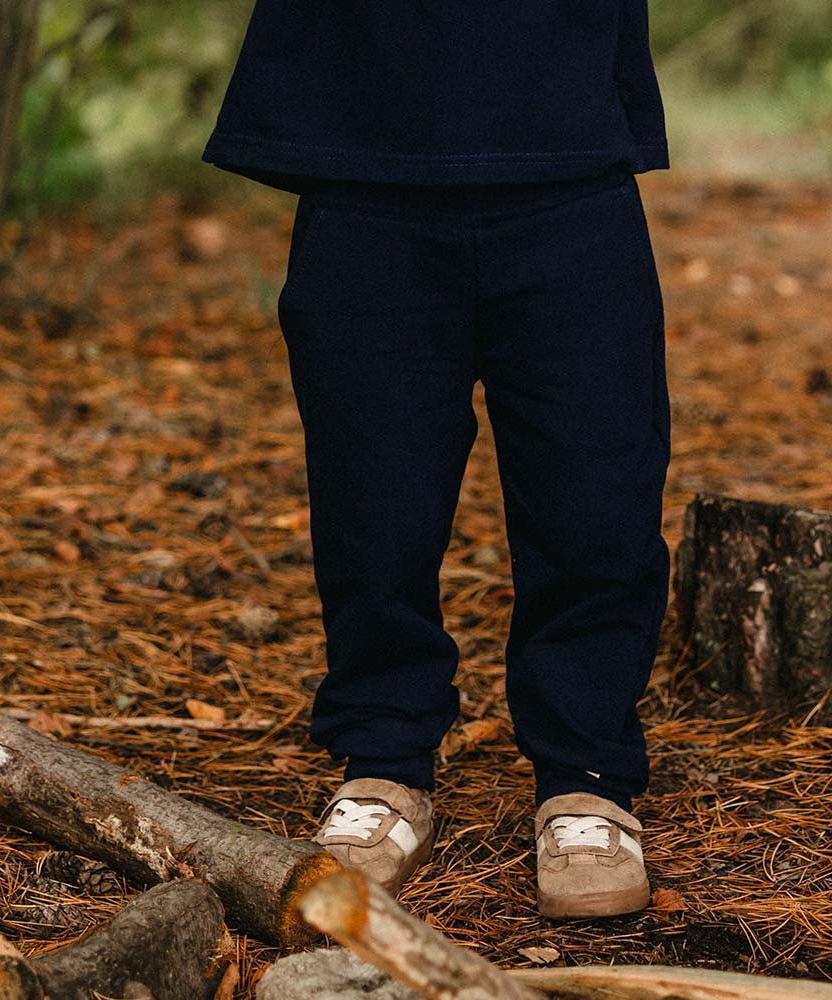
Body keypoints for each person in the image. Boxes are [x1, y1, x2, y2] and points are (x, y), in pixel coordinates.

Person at [202, 1, 671, 919]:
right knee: (371, 497)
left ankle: (585, 777)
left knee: (596, 492)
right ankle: (383, 759)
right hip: (361, 155)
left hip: (570, 153)